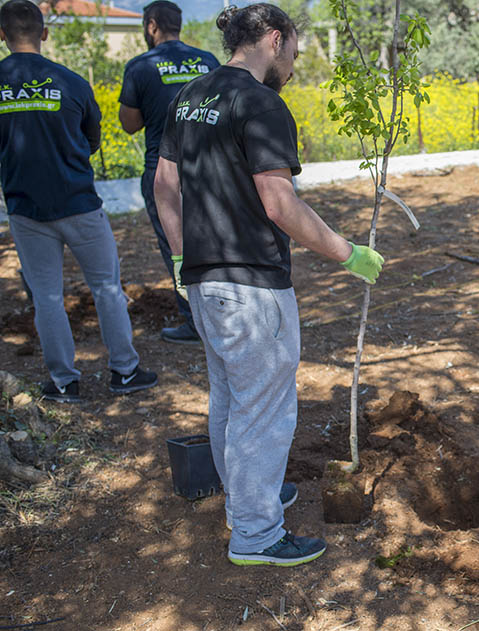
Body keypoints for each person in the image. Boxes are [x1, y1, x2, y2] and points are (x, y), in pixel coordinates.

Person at [154, 3, 384, 567]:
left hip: (205, 281)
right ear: (274, 40)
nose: (293, 67)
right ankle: (256, 534)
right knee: (264, 406)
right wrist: (347, 253)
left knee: (232, 397)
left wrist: (184, 256)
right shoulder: (262, 104)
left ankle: (248, 496)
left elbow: (165, 185)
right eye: (295, 54)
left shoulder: (191, 96)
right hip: (252, 286)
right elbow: (279, 204)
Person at [0, 0, 158, 403]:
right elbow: (91, 139)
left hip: (25, 208)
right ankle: (124, 372)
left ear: (2, 35)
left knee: (47, 296)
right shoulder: (71, 81)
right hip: (80, 204)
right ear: (45, 33)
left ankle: (64, 382)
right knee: (107, 287)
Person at [119, 1, 219, 345]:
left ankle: (195, 322)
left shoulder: (140, 66)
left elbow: (129, 124)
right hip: (211, 170)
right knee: (216, 239)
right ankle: (223, 313)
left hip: (164, 174)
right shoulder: (207, 61)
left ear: (151, 26)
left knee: (176, 246)